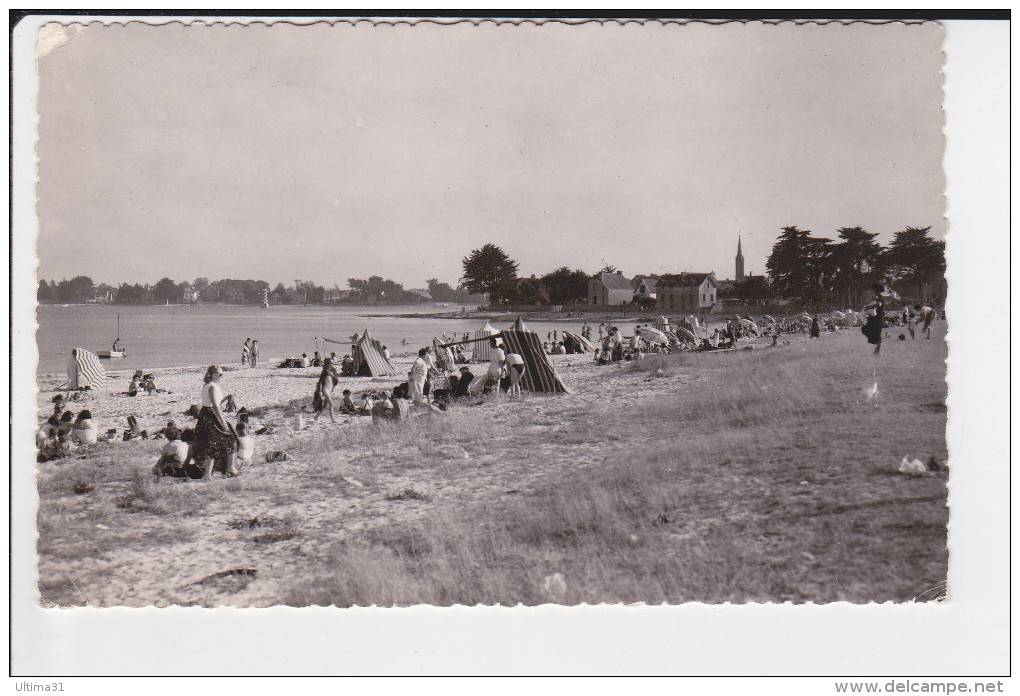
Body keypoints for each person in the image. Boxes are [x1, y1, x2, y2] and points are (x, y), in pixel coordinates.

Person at [191, 365, 239, 480]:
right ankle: (230, 468)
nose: (221, 376)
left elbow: (214, 403)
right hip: (211, 415)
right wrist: (223, 422)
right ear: (213, 374)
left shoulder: (208, 385)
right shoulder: (212, 387)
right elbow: (215, 406)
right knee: (230, 439)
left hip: (205, 415)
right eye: (220, 374)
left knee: (209, 444)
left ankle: (208, 474)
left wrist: (226, 398)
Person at [861, 283, 886, 355]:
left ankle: (877, 351)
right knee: (865, 330)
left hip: (878, 318)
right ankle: (876, 347)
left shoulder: (880, 297)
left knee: (877, 335)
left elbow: (879, 304)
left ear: (876, 290)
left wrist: (869, 307)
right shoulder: (875, 297)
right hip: (873, 318)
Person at [313, 357, 339, 422]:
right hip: (325, 389)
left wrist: (332, 375)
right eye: (331, 363)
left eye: (332, 363)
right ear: (327, 364)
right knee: (331, 404)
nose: (332, 364)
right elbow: (321, 382)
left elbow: (335, 380)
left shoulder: (333, 370)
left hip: (330, 389)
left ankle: (316, 417)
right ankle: (333, 419)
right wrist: (320, 391)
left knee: (324, 405)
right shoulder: (324, 371)